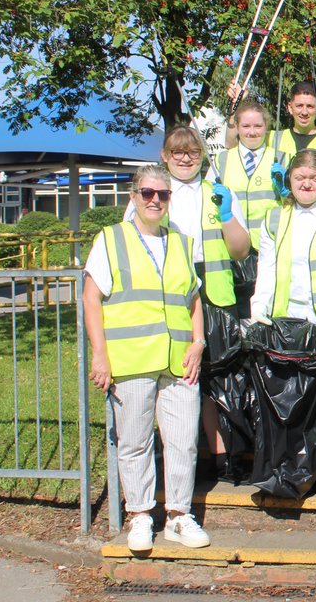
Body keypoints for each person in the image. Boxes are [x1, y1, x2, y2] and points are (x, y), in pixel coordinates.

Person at [83, 165, 210, 551]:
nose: (155, 200)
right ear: (134, 196)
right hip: (131, 358)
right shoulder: (110, 240)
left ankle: (177, 515)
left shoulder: (182, 242)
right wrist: (100, 356)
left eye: (163, 194)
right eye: (148, 193)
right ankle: (139, 514)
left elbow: (192, 298)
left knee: (183, 440)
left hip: (178, 360)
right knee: (135, 441)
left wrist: (199, 342)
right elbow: (91, 298)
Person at [128, 126, 251, 481]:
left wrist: (227, 215)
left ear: (202, 156)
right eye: (177, 152)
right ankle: (185, 457)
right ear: (165, 156)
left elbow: (241, 250)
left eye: (192, 152)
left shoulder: (218, 192)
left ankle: (224, 456)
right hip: (169, 295)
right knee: (178, 378)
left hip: (214, 293)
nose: (185, 158)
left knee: (219, 379)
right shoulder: (154, 194)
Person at [249, 149, 316, 493]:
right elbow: (266, 267)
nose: (306, 184)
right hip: (286, 319)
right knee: (289, 399)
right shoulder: (274, 218)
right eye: (299, 178)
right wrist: (258, 310)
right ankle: (289, 464)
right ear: (289, 181)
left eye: (314, 178)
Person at [209, 99, 284, 313]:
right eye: (246, 126)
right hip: (231, 250)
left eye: (258, 126)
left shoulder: (281, 158)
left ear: (266, 127)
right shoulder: (221, 160)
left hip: (269, 251)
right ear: (237, 128)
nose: (252, 132)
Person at [225, 80, 316, 158]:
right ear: (290, 107)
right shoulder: (272, 138)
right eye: (299, 106)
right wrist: (235, 105)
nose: (304, 112)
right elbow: (231, 144)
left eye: (310, 106)